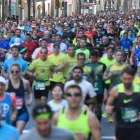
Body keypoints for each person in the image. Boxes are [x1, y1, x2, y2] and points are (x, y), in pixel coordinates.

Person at [106, 67, 140, 140]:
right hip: (121, 127)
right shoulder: (116, 90)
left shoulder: (138, 90)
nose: (127, 81)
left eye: (129, 79)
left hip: (136, 127)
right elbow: (108, 105)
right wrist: (109, 109)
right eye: (125, 79)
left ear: (133, 78)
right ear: (121, 78)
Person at [5, 63, 33, 134]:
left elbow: (30, 92)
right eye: (12, 71)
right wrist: (9, 96)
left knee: (17, 133)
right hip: (10, 114)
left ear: (20, 72)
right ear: (10, 72)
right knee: (11, 134)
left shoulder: (25, 82)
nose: (14, 73)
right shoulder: (6, 83)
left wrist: (30, 100)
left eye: (16, 71)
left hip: (22, 112)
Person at [103, 50, 128, 122]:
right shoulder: (111, 66)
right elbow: (104, 78)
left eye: (121, 55)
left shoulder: (126, 66)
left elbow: (132, 76)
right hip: (113, 89)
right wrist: (108, 76)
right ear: (115, 56)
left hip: (124, 89)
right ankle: (112, 116)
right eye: (118, 55)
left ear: (123, 57)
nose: (119, 57)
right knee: (114, 106)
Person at [87, 51, 106, 121]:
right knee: (90, 108)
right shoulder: (87, 65)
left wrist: (100, 74)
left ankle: (98, 123)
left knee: (99, 109)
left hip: (99, 90)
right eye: (91, 58)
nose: (92, 59)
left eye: (94, 58)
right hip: (90, 90)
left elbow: (106, 77)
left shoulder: (102, 65)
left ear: (97, 58)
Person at [100, 47, 116, 119]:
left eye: (111, 52)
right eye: (108, 52)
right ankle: (106, 111)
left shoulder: (116, 60)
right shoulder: (102, 60)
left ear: (113, 53)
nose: (109, 53)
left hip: (113, 82)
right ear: (106, 53)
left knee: (112, 99)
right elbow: (100, 70)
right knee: (105, 99)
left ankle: (111, 116)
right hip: (105, 81)